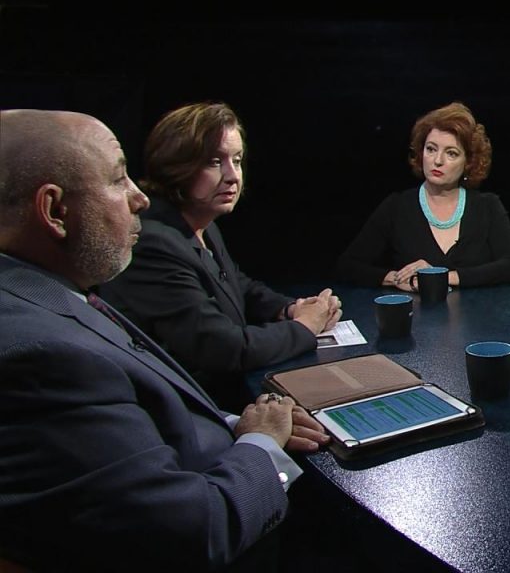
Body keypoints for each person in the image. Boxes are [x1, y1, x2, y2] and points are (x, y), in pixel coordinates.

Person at [0, 109, 332, 572]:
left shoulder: (49, 295)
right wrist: (261, 444)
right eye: (117, 179)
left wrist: (237, 423)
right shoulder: (44, 356)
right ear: (55, 211)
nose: (139, 198)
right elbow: (197, 532)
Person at [100, 102, 341, 412]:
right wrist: (305, 327)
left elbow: (236, 284)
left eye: (237, 161)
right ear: (175, 165)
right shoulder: (153, 242)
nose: (232, 176)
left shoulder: (201, 222)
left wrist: (290, 308)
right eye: (215, 162)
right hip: (192, 411)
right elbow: (224, 349)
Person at [335, 102, 510, 290]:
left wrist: (439, 277)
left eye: (451, 153)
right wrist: (397, 278)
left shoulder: (487, 206)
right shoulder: (397, 207)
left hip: (478, 308)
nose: (437, 161)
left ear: (468, 162)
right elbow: (348, 266)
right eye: (431, 149)